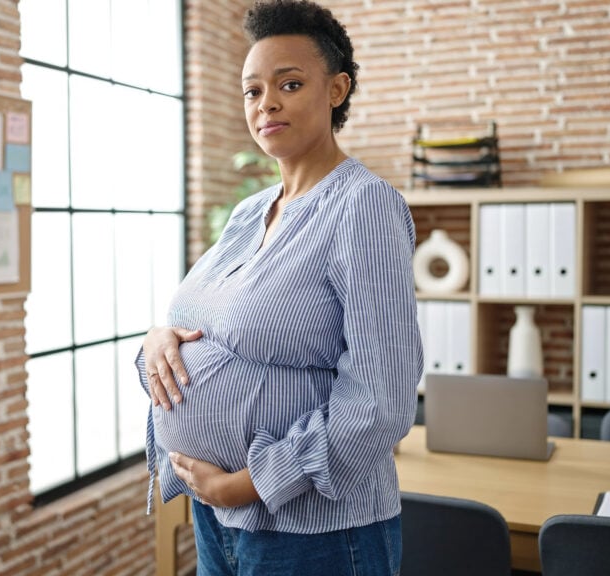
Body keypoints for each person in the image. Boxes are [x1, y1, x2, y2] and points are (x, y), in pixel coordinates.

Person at [135, 0, 423, 574]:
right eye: (252, 90)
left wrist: (249, 484)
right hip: (217, 517)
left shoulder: (364, 206)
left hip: (314, 533)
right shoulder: (249, 212)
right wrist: (157, 338)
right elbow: (202, 319)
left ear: (337, 89)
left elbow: (381, 400)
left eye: (289, 84)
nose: (266, 103)